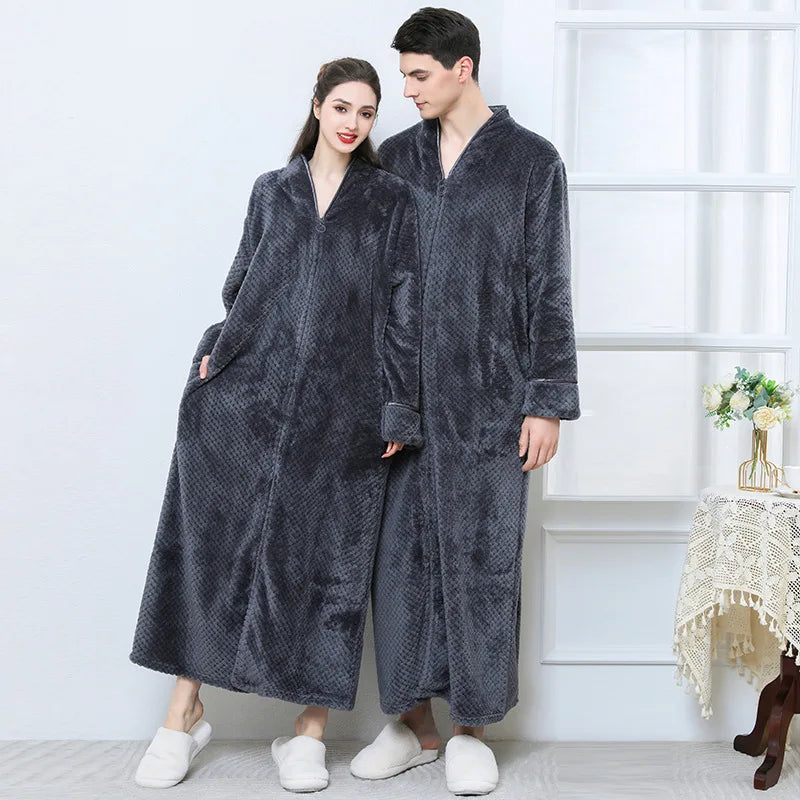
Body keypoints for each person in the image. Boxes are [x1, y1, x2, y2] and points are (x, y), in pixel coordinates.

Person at [129, 57, 423, 794]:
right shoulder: (273, 191)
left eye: (366, 112)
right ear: (317, 106)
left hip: (344, 411)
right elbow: (242, 287)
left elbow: (403, 312)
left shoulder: (391, 201)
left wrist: (397, 406)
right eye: (342, 107)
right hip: (249, 397)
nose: (353, 123)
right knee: (215, 552)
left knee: (329, 565)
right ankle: (183, 714)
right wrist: (218, 357)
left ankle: (308, 731)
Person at [349, 9, 581, 796]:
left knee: (483, 566)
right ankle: (413, 726)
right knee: (397, 568)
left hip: (492, 404)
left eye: (418, 75)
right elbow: (363, 279)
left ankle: (470, 730)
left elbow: (549, 286)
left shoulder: (531, 162)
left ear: (463, 68)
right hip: (402, 406)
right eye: (403, 76)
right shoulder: (395, 159)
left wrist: (546, 401)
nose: (406, 90)